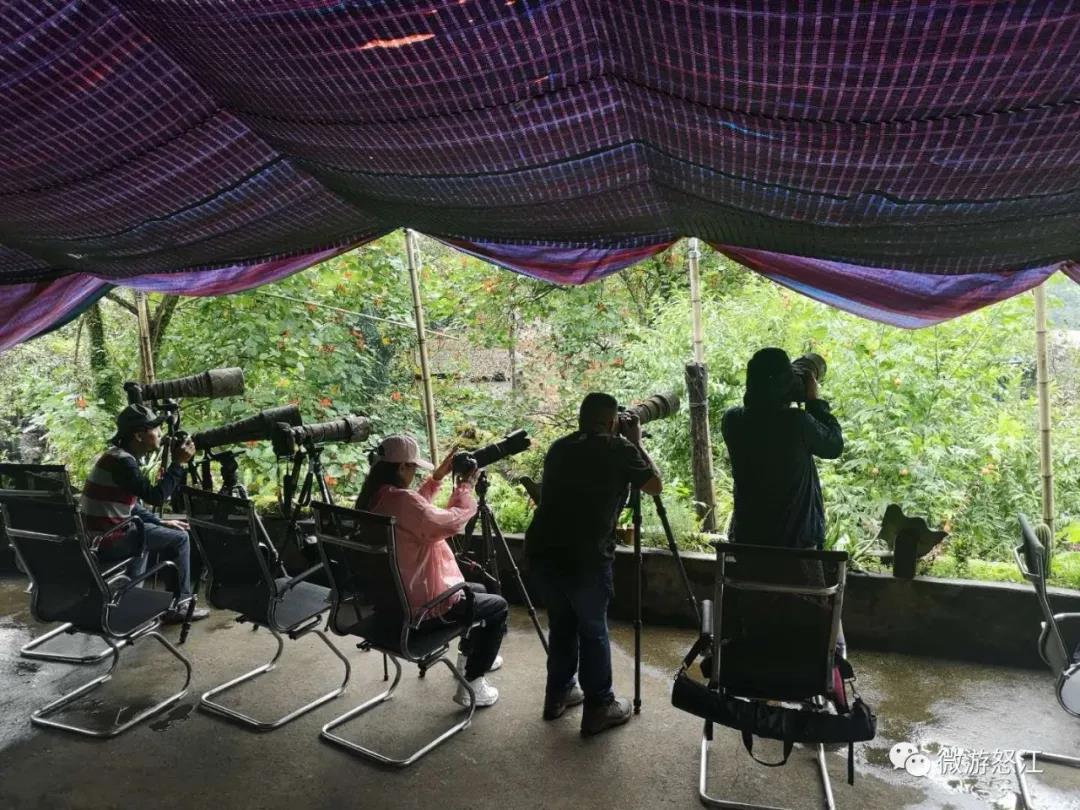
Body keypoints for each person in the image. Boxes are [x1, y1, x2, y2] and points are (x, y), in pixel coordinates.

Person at [524, 392, 662, 736]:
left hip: (542, 552)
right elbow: (655, 485)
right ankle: (599, 706)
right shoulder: (620, 449)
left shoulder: (559, 447)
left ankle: (558, 695)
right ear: (612, 421)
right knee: (592, 629)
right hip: (585, 558)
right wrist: (636, 442)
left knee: (562, 623)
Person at [355, 434, 507, 708]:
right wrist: (464, 488)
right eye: (413, 468)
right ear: (401, 467)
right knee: (497, 606)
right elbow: (447, 523)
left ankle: (470, 658)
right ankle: (472, 684)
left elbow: (414, 510)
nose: (414, 473)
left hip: (391, 602)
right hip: (422, 610)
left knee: (479, 590)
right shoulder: (402, 502)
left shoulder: (375, 497)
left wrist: (436, 479)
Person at [80, 404, 209, 623]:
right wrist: (178, 463)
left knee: (147, 535)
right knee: (180, 539)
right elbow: (156, 497)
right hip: (110, 539)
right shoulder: (124, 463)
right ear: (139, 435)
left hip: (99, 536)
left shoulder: (114, 457)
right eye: (155, 429)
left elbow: (130, 506)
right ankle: (181, 605)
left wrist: (160, 522)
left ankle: (128, 600)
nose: (160, 433)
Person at [721, 347, 843, 550]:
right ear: (786, 386)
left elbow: (765, 418)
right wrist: (814, 402)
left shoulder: (732, 420)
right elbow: (834, 446)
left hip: (747, 545)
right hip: (795, 547)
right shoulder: (798, 423)